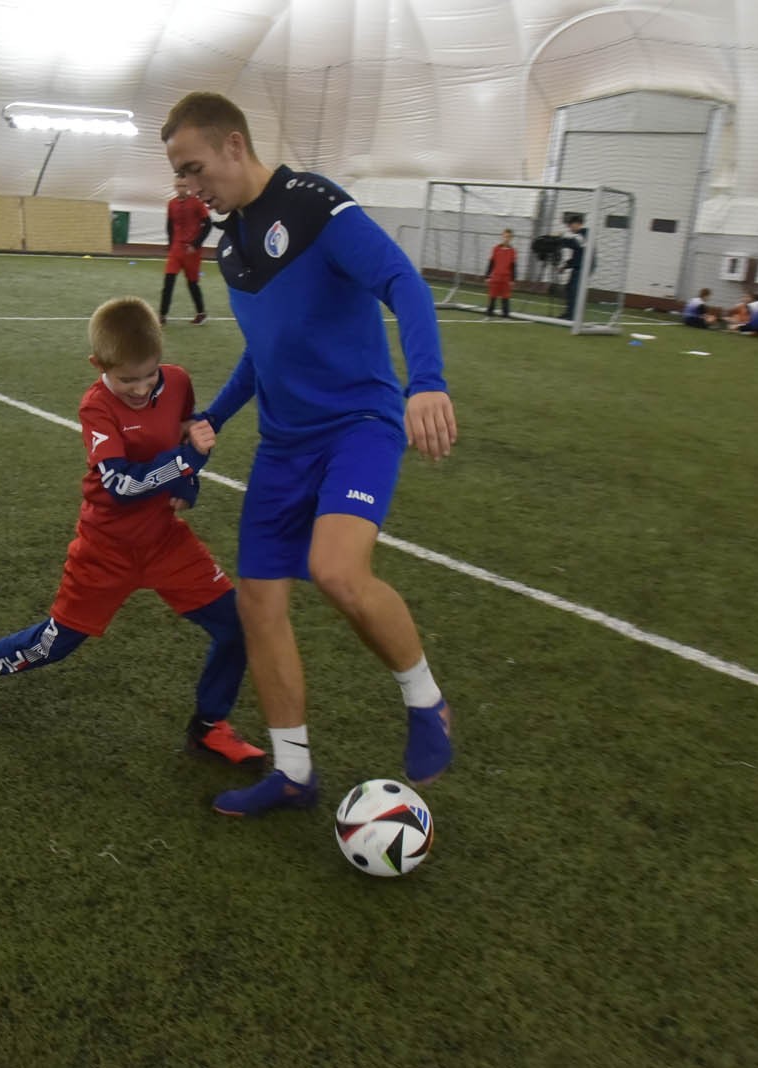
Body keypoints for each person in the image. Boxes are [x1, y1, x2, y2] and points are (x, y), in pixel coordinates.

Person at [161, 91, 456, 818]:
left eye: (194, 167)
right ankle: (293, 773)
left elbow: (403, 282)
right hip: (283, 444)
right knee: (259, 603)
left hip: (358, 425)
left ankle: (426, 701)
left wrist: (427, 382)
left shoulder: (316, 204)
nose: (189, 187)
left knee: (336, 570)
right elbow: (264, 351)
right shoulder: (230, 247)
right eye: (179, 175)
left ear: (234, 145)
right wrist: (214, 415)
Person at [0, 296, 264, 769]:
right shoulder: (96, 407)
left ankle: (209, 726)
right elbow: (121, 485)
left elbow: (184, 432)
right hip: (106, 549)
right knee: (53, 645)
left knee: (237, 626)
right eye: (127, 379)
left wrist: (188, 485)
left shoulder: (177, 381)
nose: (141, 388)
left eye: (149, 375)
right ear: (98, 365)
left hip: (165, 541)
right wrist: (188, 463)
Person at [159, 177, 214, 325]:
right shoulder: (171, 204)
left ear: (188, 187)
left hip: (192, 252)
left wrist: (195, 244)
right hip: (176, 250)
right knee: (168, 281)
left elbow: (208, 225)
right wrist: (171, 244)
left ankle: (201, 313)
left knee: (192, 284)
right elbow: (169, 225)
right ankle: (162, 315)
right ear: (175, 186)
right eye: (178, 186)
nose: (181, 189)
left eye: (183, 186)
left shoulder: (197, 203)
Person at [558, 214, 588, 317]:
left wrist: (560, 238)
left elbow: (575, 243)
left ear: (578, 224)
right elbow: (577, 256)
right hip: (578, 267)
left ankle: (572, 316)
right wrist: (565, 266)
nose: (569, 228)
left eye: (571, 225)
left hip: (584, 268)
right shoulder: (579, 235)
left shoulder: (585, 233)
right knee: (570, 288)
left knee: (574, 290)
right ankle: (569, 313)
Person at [485, 229, 516, 318]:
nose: (506, 239)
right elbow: (491, 262)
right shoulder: (496, 249)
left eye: (509, 237)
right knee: (493, 295)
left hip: (506, 277)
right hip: (496, 276)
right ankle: (489, 313)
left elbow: (513, 266)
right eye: (505, 236)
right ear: (502, 237)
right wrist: (487, 276)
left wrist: (512, 279)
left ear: (511, 238)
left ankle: (505, 314)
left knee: (505, 296)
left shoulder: (512, 251)